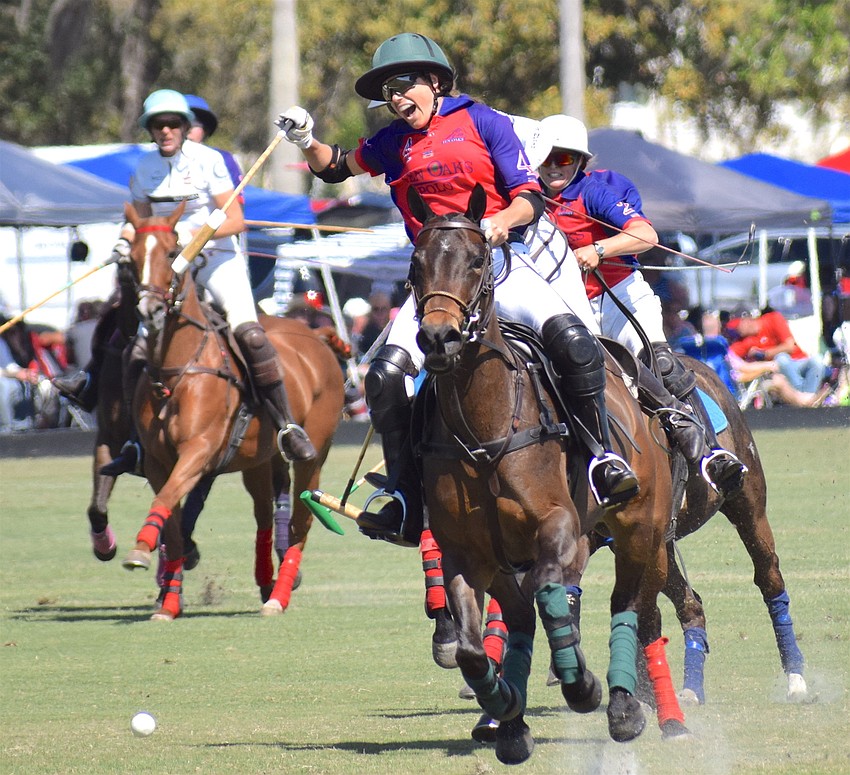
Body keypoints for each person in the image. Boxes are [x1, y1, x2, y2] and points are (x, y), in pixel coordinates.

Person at [276, 33, 640, 543]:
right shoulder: (391, 141)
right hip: (437, 281)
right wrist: (304, 138)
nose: (397, 98)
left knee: (576, 344)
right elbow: (336, 167)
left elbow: (529, 197)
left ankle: (601, 457)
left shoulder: (481, 121)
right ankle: (404, 494)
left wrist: (498, 223)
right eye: (388, 91)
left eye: (405, 85)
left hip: (500, 266)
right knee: (383, 377)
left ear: (435, 81)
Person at [54, 89, 315, 471]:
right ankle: (135, 438)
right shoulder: (144, 169)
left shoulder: (210, 161)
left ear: (184, 126)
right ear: (150, 130)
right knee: (133, 342)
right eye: (157, 125)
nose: (165, 131)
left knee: (251, 333)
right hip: (167, 268)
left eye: (172, 124)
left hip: (215, 261)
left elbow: (236, 220)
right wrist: (126, 243)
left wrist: (193, 240)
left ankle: (286, 425)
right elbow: (138, 220)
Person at [527, 114, 746, 497]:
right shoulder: (528, 198)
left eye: (563, 159)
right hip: (566, 306)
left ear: (579, 161)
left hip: (619, 296)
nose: (553, 168)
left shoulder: (594, 192)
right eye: (545, 159)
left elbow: (644, 234)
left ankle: (709, 450)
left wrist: (598, 249)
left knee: (658, 364)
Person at [728, 310, 826, 405]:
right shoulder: (746, 341)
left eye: (737, 326)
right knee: (781, 360)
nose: (736, 331)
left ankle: (807, 396)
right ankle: (809, 398)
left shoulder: (773, 319)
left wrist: (765, 354)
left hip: (798, 361)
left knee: (817, 360)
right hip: (779, 371)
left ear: (746, 320)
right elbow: (729, 355)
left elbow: (789, 346)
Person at [0, 333, 38, 433]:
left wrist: (24, 372)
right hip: (3, 381)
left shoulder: (1, 342)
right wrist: (15, 374)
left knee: (31, 382)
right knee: (5, 385)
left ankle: (27, 424)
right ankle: (6, 427)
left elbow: (9, 365)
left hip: (7, 376)